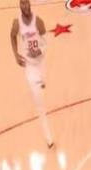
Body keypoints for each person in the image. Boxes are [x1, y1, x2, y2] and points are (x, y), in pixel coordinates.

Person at [10, 0, 54, 148]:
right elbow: (12, 36)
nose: (25, 6)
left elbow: (46, 41)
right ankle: (49, 138)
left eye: (26, 2)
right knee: (39, 104)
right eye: (22, 3)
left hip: (41, 63)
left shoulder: (38, 21)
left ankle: (42, 81)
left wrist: (40, 50)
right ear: (19, 5)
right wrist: (15, 54)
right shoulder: (17, 23)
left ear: (29, 3)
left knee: (43, 82)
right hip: (30, 66)